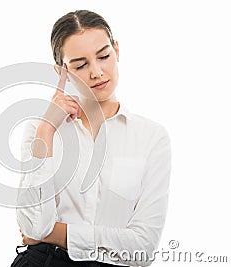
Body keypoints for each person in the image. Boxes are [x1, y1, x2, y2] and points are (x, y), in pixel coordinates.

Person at [11, 10, 171, 267]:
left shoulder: (151, 137)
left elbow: (143, 248)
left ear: (116, 50)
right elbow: (31, 223)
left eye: (104, 56)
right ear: (61, 71)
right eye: (81, 65)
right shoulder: (41, 130)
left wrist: (55, 233)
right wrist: (46, 130)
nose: (96, 72)